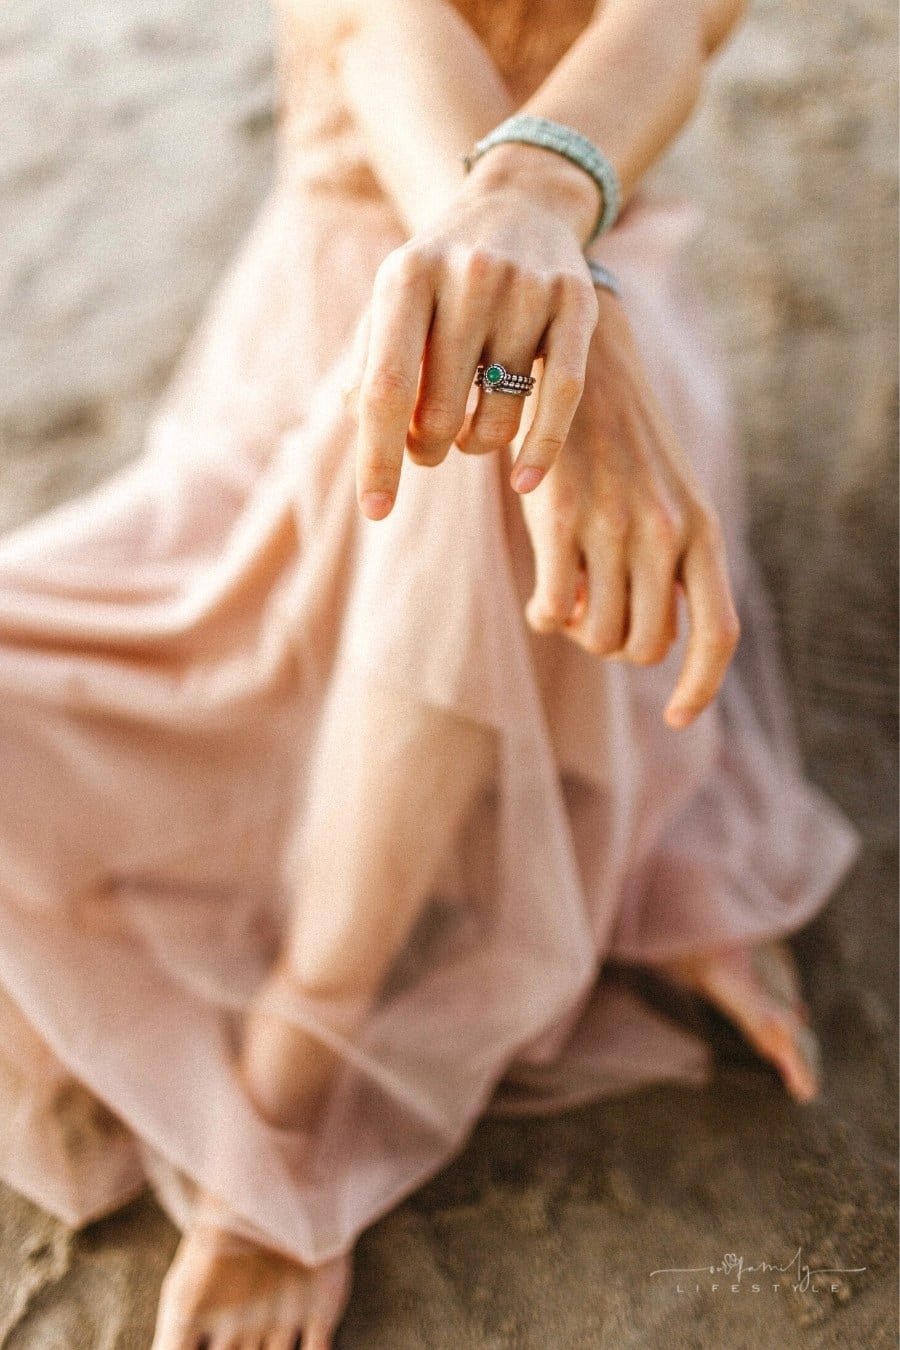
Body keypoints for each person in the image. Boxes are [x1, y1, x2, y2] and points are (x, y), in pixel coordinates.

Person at [0, 1, 862, 1346]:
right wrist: (525, 271)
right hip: (347, 331)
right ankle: (588, 811)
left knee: (474, 428)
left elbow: (674, 25)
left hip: (595, 346)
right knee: (463, 381)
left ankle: (302, 1056)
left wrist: (544, 237)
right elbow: (380, 28)